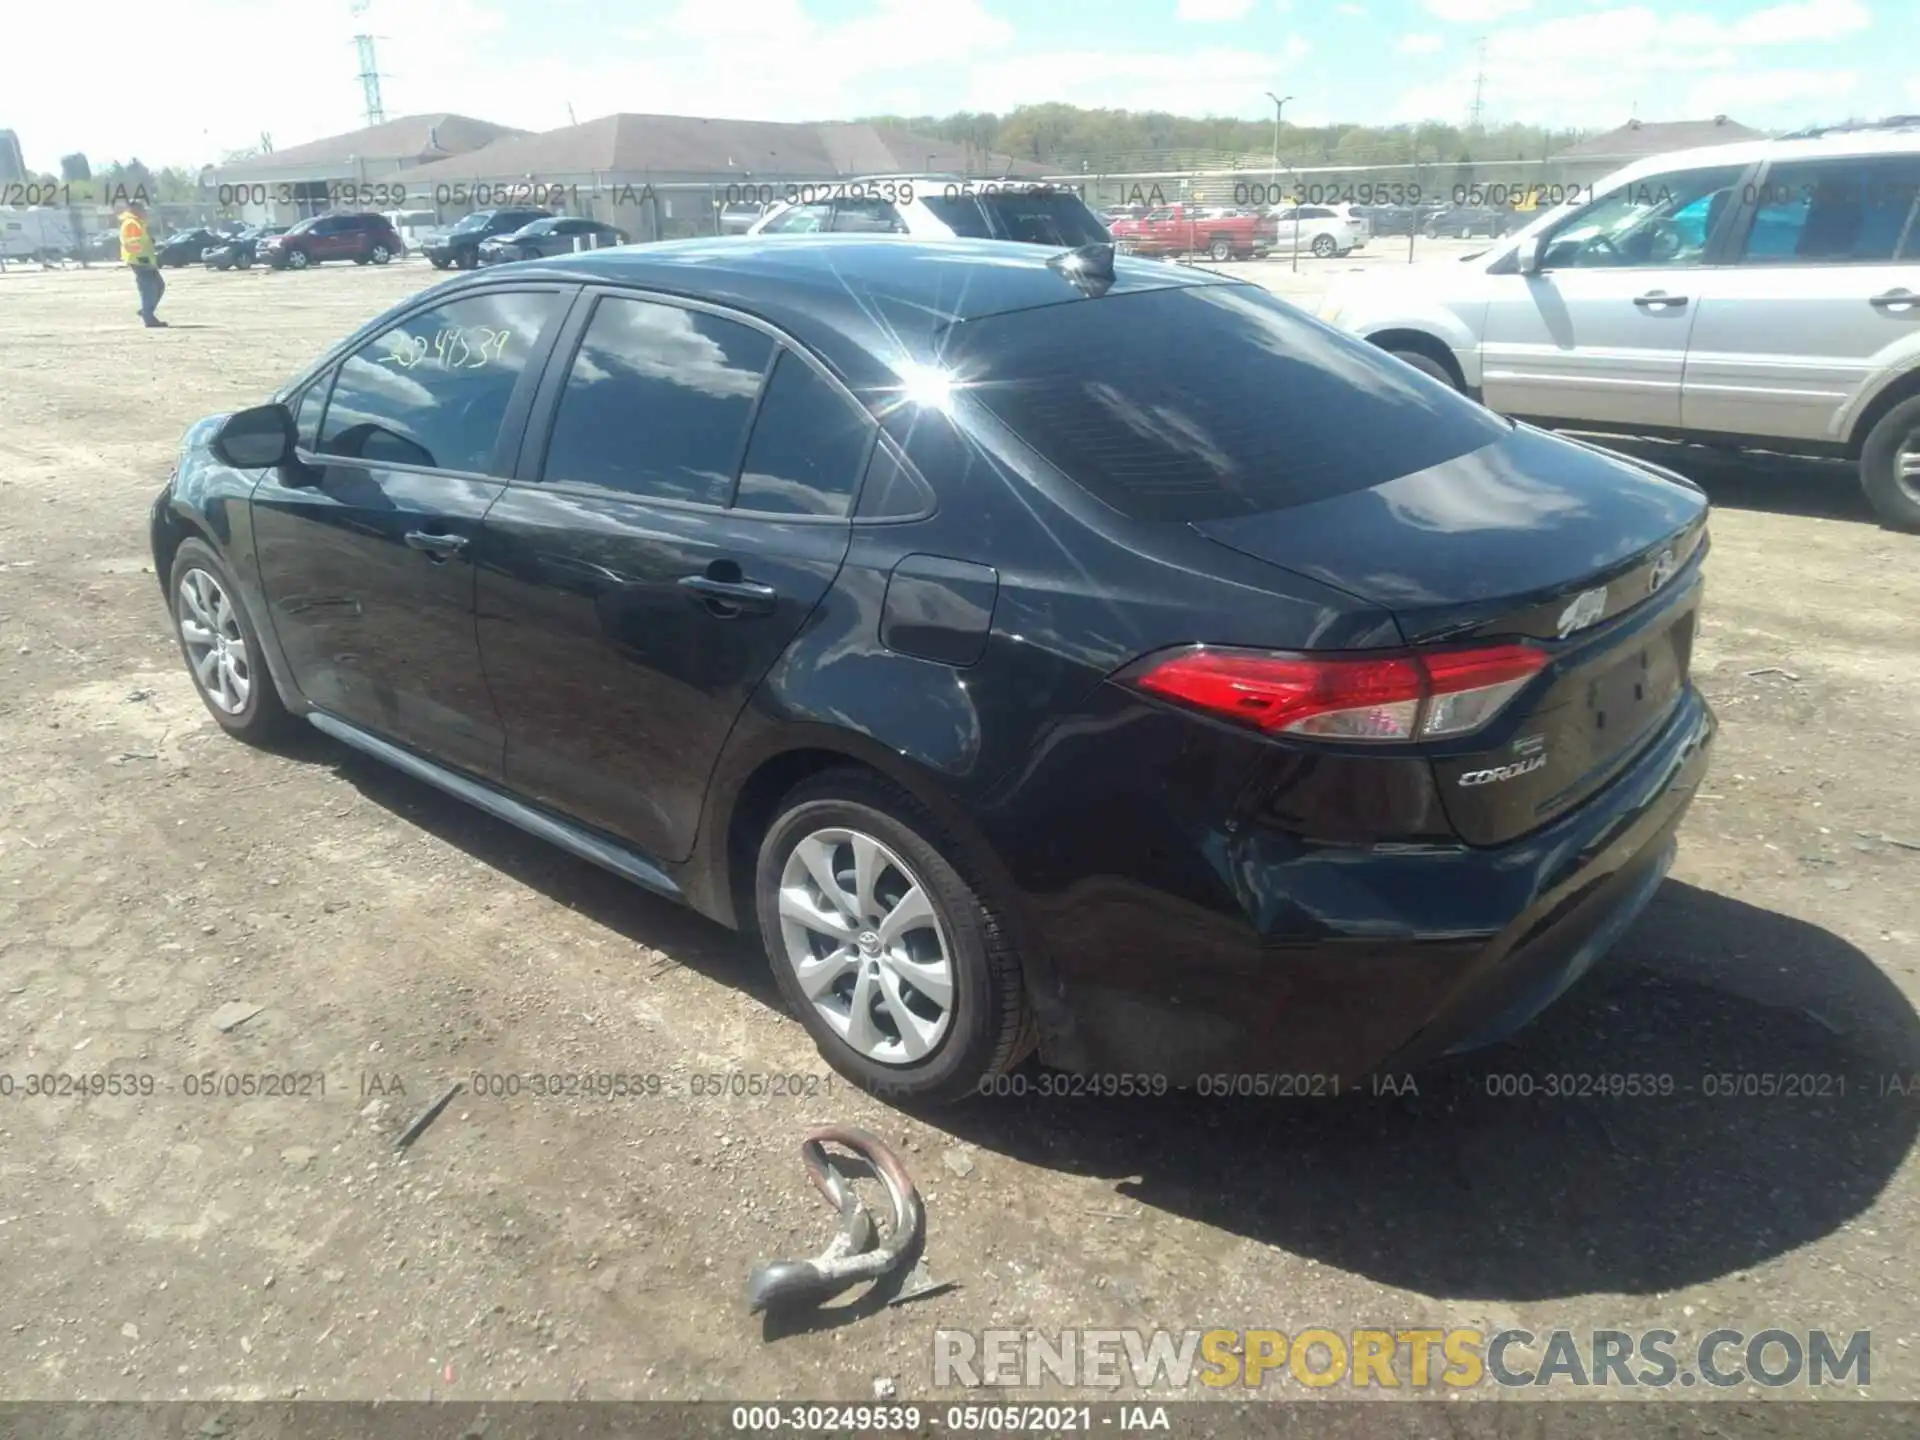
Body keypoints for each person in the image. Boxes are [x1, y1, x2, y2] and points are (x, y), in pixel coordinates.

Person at [120, 198, 167, 328]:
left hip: (144, 260)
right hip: (140, 261)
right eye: (142, 209)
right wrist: (144, 260)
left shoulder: (138, 223)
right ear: (135, 210)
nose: (145, 212)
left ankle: (146, 311)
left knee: (159, 286)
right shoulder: (131, 223)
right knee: (149, 289)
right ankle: (148, 316)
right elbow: (132, 244)